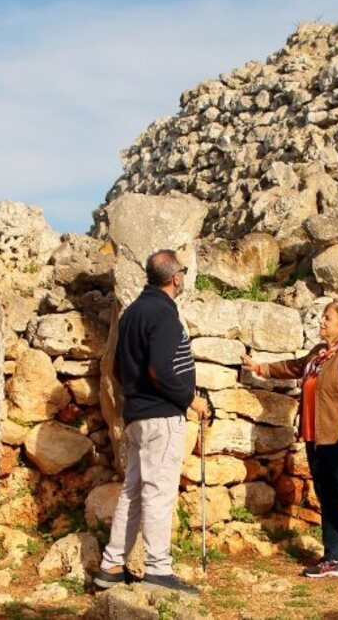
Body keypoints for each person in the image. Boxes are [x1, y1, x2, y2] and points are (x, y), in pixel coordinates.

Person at [241, 302, 338, 587]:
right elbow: (293, 367)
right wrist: (260, 367)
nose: (322, 322)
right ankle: (332, 559)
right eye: (323, 318)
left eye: (328, 319)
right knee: (328, 500)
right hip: (317, 440)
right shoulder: (317, 355)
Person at [95, 249, 208, 594]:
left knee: (134, 491)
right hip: (161, 416)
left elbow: (113, 365)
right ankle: (158, 569)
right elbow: (160, 368)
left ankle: (112, 565)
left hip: (137, 415)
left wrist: (134, 392)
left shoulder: (131, 314)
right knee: (158, 493)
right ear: (175, 277)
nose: (184, 278)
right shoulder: (162, 312)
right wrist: (191, 399)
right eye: (184, 273)